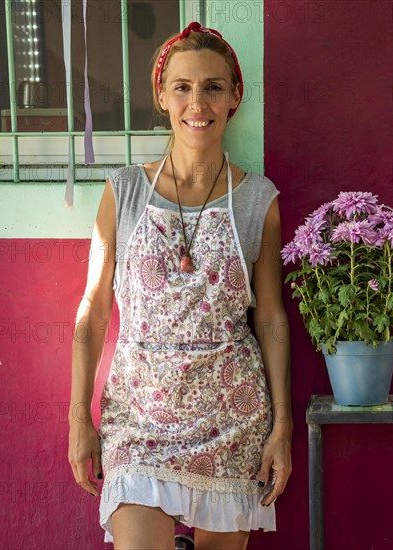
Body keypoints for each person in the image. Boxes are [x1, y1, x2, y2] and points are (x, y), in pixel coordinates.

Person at [68, 21, 292, 550]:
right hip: (139, 418)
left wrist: (280, 427)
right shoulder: (122, 192)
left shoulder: (259, 200)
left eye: (213, 87)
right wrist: (81, 417)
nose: (199, 102)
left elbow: (270, 319)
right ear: (162, 95)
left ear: (235, 96)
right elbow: (93, 312)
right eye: (183, 87)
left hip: (231, 417)